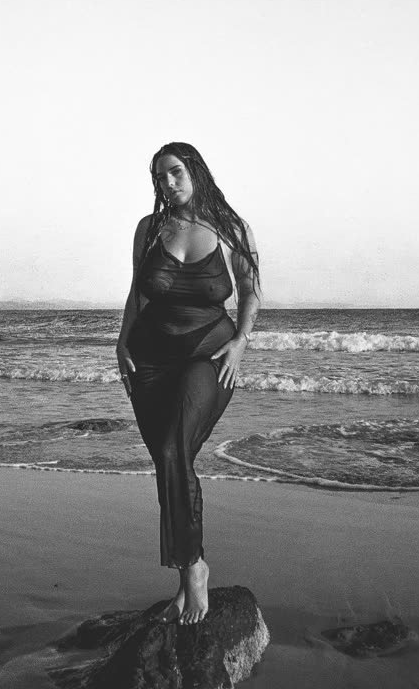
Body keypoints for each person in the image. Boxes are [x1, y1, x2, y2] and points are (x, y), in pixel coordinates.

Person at [116, 142, 260, 626]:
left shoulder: (231, 228)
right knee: (168, 461)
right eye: (160, 177)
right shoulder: (149, 229)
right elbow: (137, 293)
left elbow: (250, 290)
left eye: (176, 172)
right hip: (149, 359)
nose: (168, 183)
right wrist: (121, 342)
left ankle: (195, 568)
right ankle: (184, 579)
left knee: (173, 450)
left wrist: (241, 341)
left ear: (195, 171)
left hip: (209, 354)